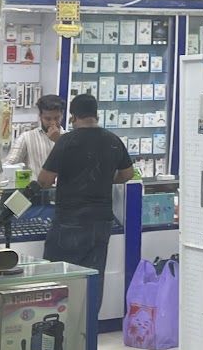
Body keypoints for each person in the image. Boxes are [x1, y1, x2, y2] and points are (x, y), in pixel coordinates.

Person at [37, 93, 133, 284]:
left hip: (70, 220)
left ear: (73, 117)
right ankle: (91, 305)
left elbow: (45, 181)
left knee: (59, 279)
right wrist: (106, 179)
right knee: (92, 280)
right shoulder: (112, 139)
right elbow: (127, 174)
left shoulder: (67, 141)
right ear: (96, 115)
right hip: (102, 221)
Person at [4, 94, 65, 180]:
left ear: (62, 115)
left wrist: (59, 141)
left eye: (56, 118)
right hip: (36, 187)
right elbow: (8, 165)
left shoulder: (71, 138)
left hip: (63, 188)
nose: (53, 123)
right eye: (48, 119)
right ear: (40, 116)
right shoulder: (26, 138)